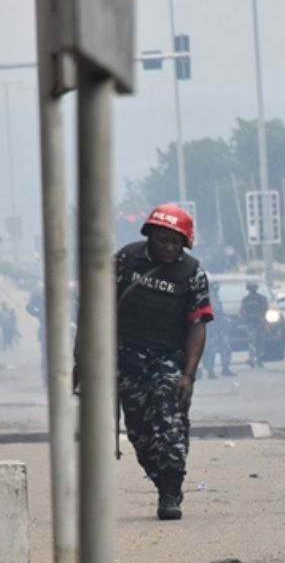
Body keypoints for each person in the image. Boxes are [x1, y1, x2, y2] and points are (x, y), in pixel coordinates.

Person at [90, 203, 212, 520]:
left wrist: (188, 375)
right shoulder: (124, 261)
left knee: (170, 424)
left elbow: (198, 325)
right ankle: (162, 480)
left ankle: (171, 491)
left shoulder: (193, 274)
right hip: (127, 360)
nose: (170, 247)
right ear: (149, 236)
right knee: (141, 435)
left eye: (176, 242)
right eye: (163, 240)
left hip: (168, 360)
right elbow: (96, 307)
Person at [239, 282, 269, 369]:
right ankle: (256, 360)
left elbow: (242, 312)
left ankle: (255, 360)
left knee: (256, 342)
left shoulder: (248, 299)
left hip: (257, 322)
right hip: (253, 323)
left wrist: (261, 317)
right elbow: (242, 312)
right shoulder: (248, 300)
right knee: (256, 342)